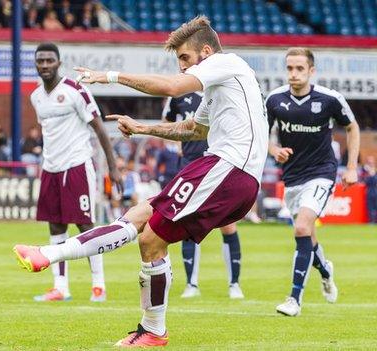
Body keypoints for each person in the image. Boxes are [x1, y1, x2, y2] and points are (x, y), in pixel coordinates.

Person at [14, 16, 268, 346]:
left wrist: (110, 76)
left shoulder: (226, 62)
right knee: (149, 238)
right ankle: (151, 331)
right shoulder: (220, 86)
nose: (182, 68)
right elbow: (193, 130)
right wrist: (143, 128)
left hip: (227, 169)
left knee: (144, 226)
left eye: (185, 59)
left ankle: (50, 255)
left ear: (207, 51)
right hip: (229, 173)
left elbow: (172, 88)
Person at [25, 42, 122, 303]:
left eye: (49, 60)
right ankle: (61, 287)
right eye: (40, 61)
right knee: (56, 225)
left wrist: (112, 167)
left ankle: (98, 285)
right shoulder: (35, 97)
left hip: (77, 165)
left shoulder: (76, 91)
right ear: (36, 64)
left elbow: (99, 128)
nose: (45, 65)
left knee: (85, 225)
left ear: (59, 62)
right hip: (50, 168)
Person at [267, 47, 360, 317]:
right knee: (308, 235)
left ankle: (294, 299)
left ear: (311, 71)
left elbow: (352, 127)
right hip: (293, 177)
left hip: (322, 172)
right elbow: (262, 134)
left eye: (299, 68)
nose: (293, 74)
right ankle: (325, 270)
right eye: (289, 68)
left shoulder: (330, 99)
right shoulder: (274, 100)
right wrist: (274, 151)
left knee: (301, 227)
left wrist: (351, 168)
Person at [162, 93, 245, 299]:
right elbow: (167, 121)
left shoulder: (222, 91)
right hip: (190, 165)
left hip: (220, 164)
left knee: (228, 225)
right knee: (186, 223)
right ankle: (191, 284)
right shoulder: (179, 96)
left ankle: (234, 284)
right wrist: (174, 143)